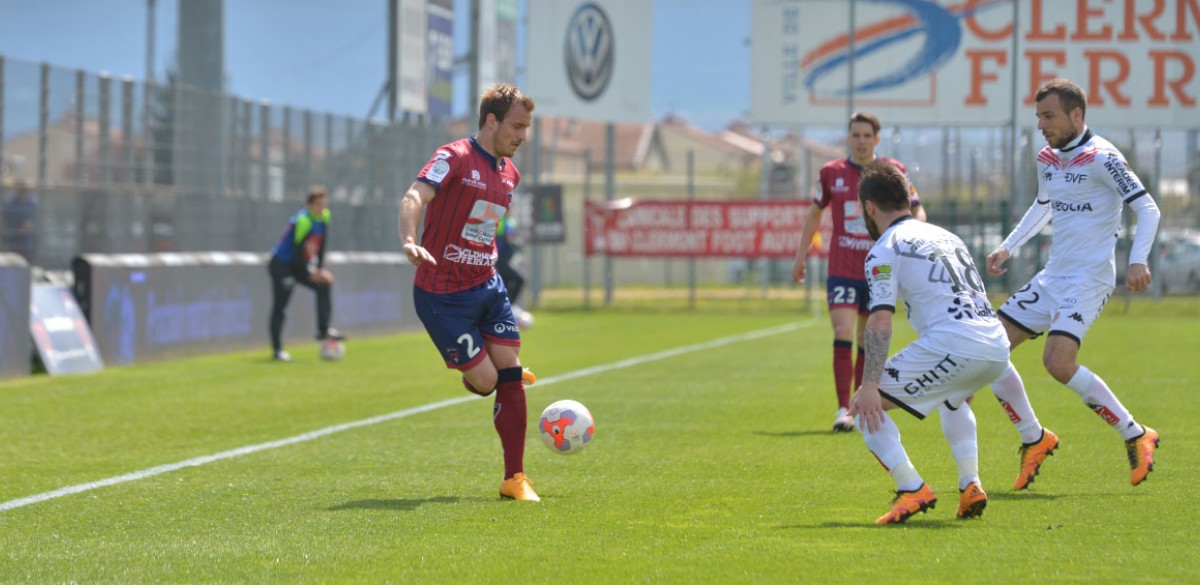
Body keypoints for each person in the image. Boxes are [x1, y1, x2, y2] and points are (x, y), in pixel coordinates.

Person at [986, 78, 1161, 487]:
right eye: (1038, 117)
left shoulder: (1103, 157)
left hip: (1089, 279)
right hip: (1053, 276)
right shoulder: (1047, 156)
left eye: (1049, 116)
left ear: (1076, 115)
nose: (1042, 124)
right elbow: (1042, 205)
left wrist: (1138, 260)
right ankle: (1034, 438)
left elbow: (1147, 209)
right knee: (987, 349)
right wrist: (1007, 247)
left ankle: (1136, 433)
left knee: (1057, 362)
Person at [398, 83, 540, 502]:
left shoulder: (510, 173)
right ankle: (482, 381)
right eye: (517, 126)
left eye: (527, 127)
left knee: (510, 371)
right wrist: (409, 240)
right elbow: (414, 196)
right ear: (491, 121)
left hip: (487, 285)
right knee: (486, 382)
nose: (523, 136)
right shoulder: (454, 157)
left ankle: (514, 478)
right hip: (441, 295)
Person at [848, 161, 1012, 524]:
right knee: (952, 400)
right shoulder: (946, 236)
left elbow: (879, 322)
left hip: (957, 343)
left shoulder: (885, 247)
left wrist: (871, 383)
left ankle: (911, 488)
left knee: (863, 408)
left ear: (869, 207)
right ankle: (970, 484)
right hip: (996, 344)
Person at [791, 112, 926, 433]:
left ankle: (858, 403)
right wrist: (800, 255)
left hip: (878, 268)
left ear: (876, 139)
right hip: (842, 267)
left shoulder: (893, 171)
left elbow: (917, 207)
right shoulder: (830, 173)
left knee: (869, 340)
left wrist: (918, 233)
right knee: (842, 332)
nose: (861, 140)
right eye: (856, 135)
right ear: (848, 138)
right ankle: (842, 409)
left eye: (867, 135)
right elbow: (814, 215)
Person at [267, 186, 344, 362]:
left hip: (300, 266)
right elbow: (296, 252)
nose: (321, 208)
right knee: (281, 307)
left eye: (323, 204)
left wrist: (319, 269)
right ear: (309, 205)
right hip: (282, 265)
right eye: (317, 205)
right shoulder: (302, 220)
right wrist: (309, 274)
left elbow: (321, 246)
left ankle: (323, 330)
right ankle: (277, 350)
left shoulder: (324, 217)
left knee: (324, 284)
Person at [496, 215, 533, 329]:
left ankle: (506, 308)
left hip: (507, 258)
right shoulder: (500, 220)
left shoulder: (511, 221)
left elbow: (513, 238)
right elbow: (499, 238)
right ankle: (509, 306)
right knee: (518, 279)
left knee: (507, 283)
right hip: (499, 259)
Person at [2, 181, 37, 263]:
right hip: (12, 242)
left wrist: (29, 225)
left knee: (26, 264)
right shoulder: (9, 202)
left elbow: (35, 220)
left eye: (24, 189)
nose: (22, 191)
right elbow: (5, 219)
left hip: (27, 244)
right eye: (20, 189)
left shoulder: (33, 203)